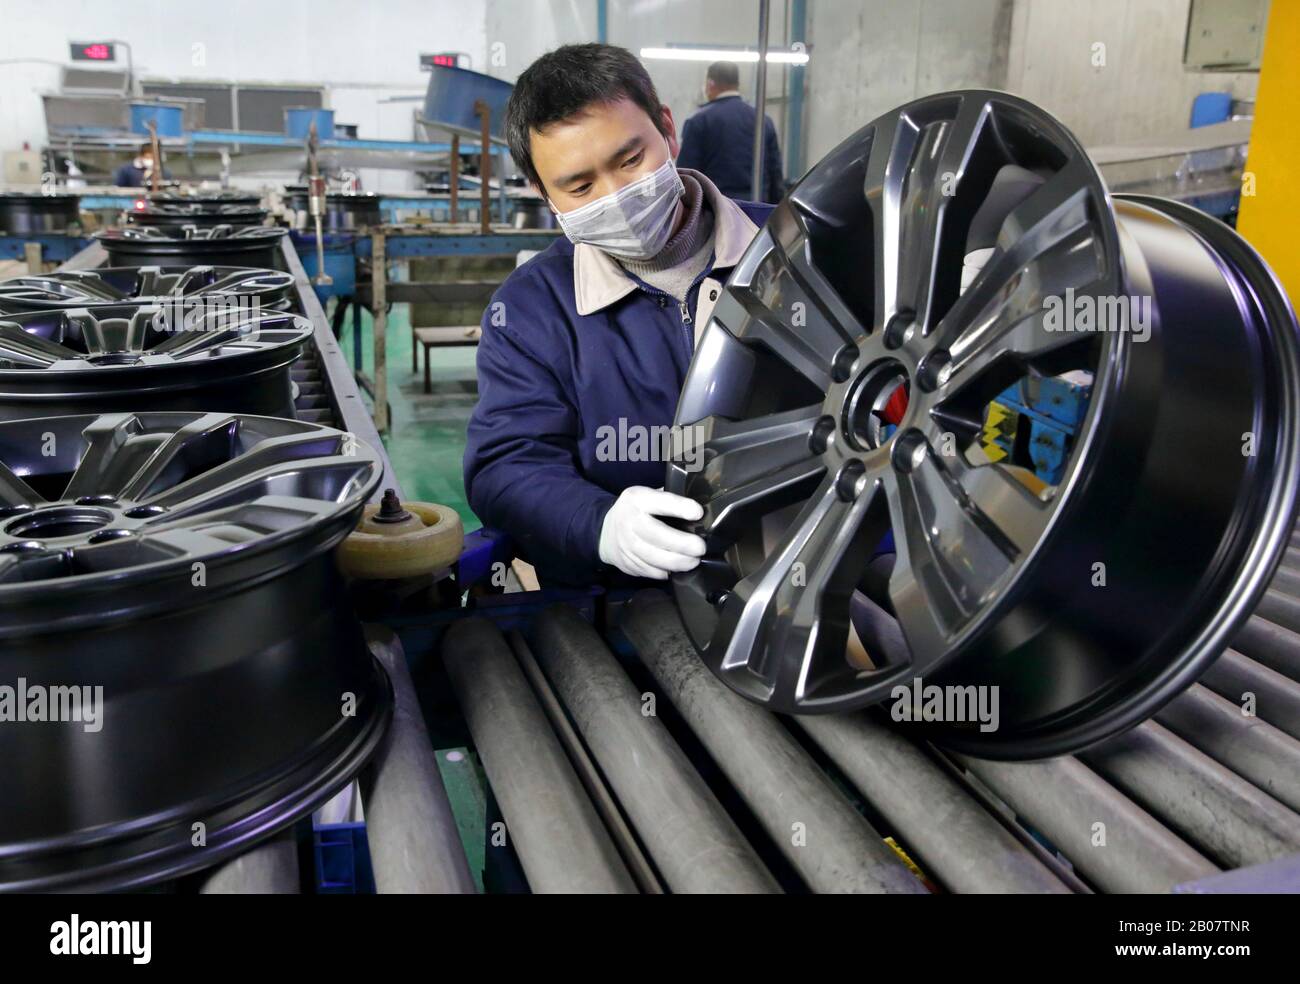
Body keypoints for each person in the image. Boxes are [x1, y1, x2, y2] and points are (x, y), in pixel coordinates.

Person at [463, 43, 774, 587]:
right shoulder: (532, 311)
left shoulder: (793, 250)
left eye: (631, 160)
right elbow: (505, 465)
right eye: (580, 187)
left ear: (668, 130)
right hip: (624, 597)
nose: (619, 195)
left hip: (804, 560)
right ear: (542, 192)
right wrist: (600, 523)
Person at [676, 60, 784, 204]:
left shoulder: (699, 121)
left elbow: (686, 176)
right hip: (757, 211)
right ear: (737, 84)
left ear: (710, 84)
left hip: (717, 212)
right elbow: (775, 176)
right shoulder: (763, 120)